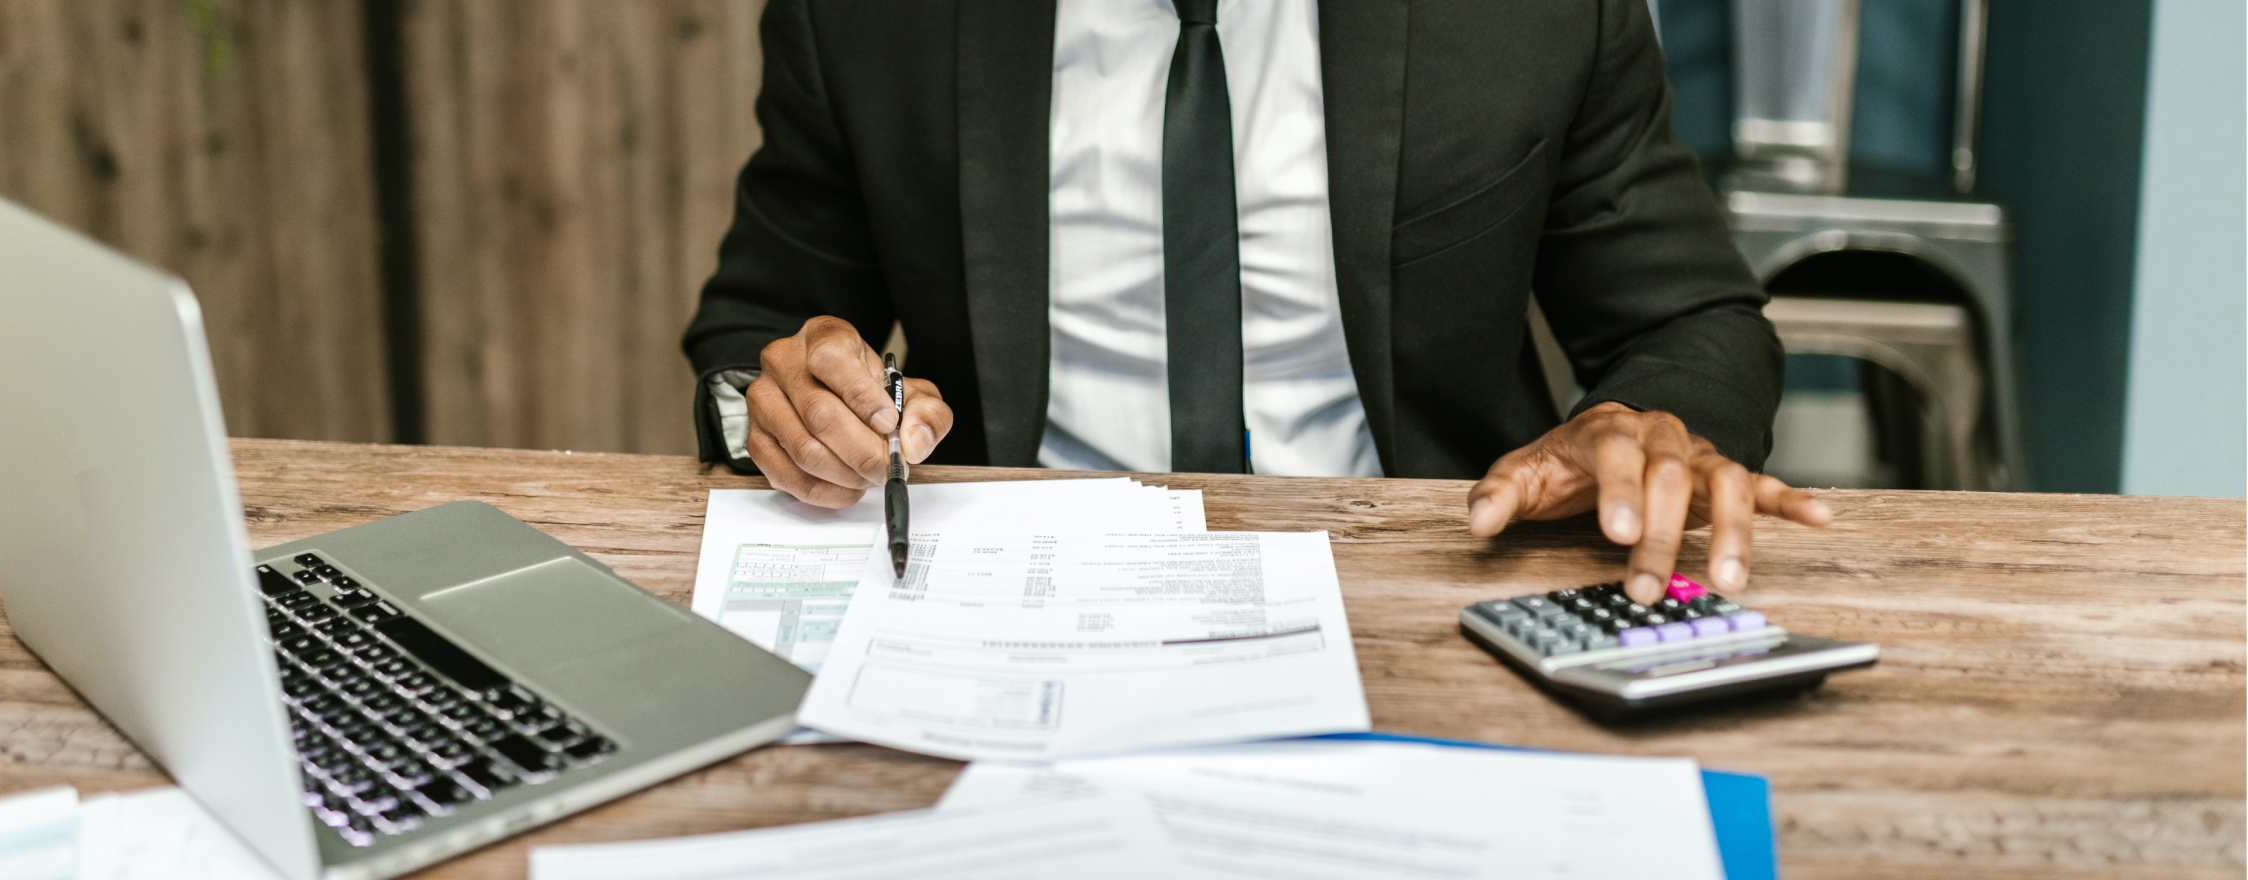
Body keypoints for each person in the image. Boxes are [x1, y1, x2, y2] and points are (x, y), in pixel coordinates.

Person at [683, 0, 1833, 605]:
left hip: (1431, 578)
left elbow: (1689, 322)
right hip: (1011, 596)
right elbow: (754, 339)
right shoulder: (863, 17)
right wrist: (781, 410)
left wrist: (1645, 426)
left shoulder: (1531, 10)